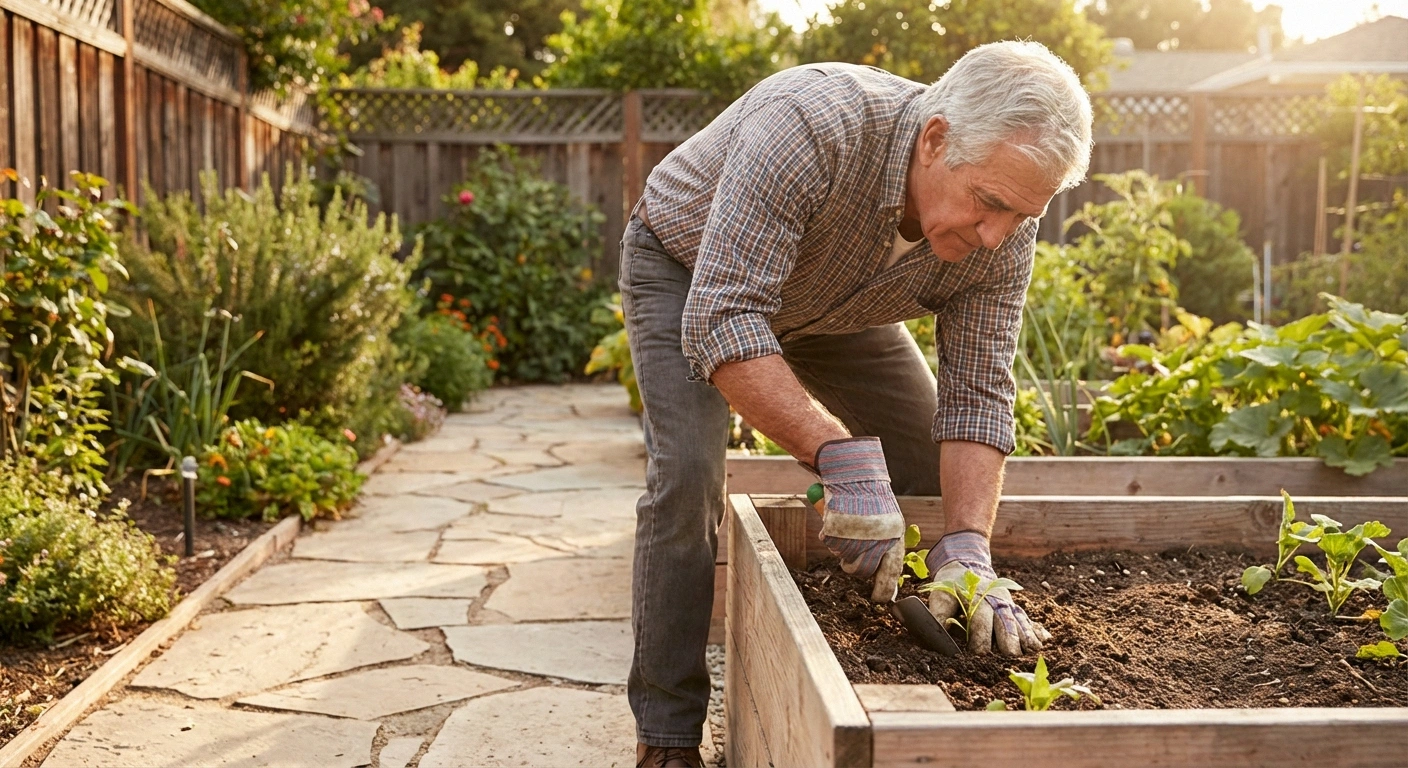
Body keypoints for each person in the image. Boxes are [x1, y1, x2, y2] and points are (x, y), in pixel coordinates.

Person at [621, 41, 1094, 768]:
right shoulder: (810, 125)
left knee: (923, 467)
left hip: (842, 307)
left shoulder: (1003, 231)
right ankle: (668, 735)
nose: (996, 236)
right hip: (689, 271)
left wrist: (969, 542)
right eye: (991, 203)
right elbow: (725, 319)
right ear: (935, 140)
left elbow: (977, 395)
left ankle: (909, 609)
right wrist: (835, 454)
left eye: (1021, 215)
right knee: (687, 477)